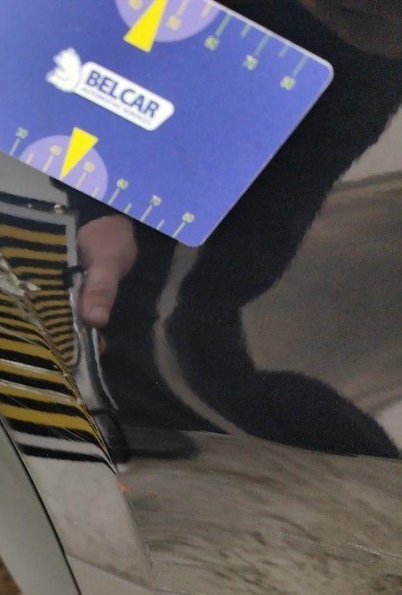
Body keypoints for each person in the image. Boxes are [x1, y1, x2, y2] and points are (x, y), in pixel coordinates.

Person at [73, 0, 402, 457]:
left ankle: (178, 344)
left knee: (240, 266)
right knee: (146, 237)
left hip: (367, 59)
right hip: (275, 28)